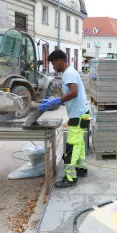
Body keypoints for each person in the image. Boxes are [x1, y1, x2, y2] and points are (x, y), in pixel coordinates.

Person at [38, 50, 90, 188]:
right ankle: (81, 168)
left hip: (78, 116)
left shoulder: (69, 73)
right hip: (81, 114)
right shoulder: (68, 73)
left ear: (60, 61)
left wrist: (57, 101)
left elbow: (74, 92)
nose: (53, 66)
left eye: (53, 63)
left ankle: (70, 177)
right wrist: (56, 100)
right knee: (79, 144)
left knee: (71, 147)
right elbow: (70, 94)